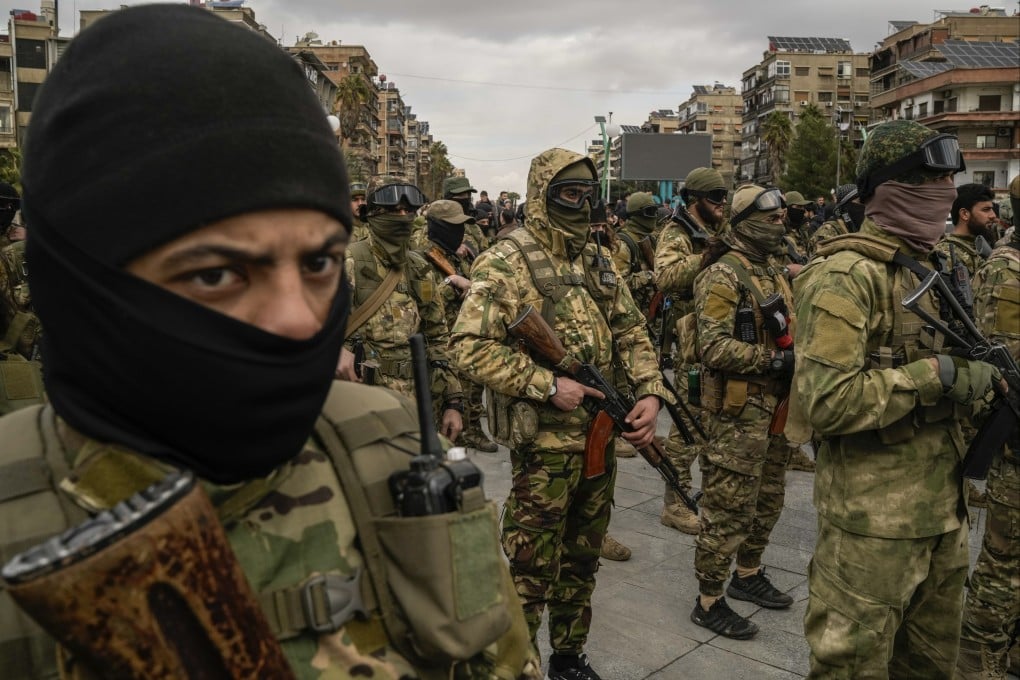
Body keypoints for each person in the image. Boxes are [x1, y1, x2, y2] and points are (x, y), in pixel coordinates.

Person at [0, 7, 539, 678]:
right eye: (219, 272)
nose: (300, 320)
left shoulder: (384, 446)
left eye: (318, 263)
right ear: (82, 280)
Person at [451, 148, 669, 680]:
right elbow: (468, 347)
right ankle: (516, 665)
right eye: (568, 195)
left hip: (597, 438)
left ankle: (569, 657)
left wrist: (650, 391)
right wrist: (547, 385)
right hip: (544, 447)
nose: (579, 205)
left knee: (583, 557)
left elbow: (631, 329)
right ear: (541, 196)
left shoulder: (595, 257)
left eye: (586, 195)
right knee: (530, 565)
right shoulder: (507, 260)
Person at [793, 120, 999, 677]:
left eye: (946, 182)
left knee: (930, 666)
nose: (941, 195)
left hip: (944, 514)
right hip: (871, 527)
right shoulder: (845, 276)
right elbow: (825, 404)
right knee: (851, 668)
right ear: (887, 188)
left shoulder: (938, 265)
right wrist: (935, 376)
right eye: (926, 182)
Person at [689, 184, 796, 640]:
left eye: (781, 218)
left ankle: (748, 574)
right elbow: (711, 346)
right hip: (738, 412)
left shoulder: (772, 269)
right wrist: (771, 361)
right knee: (728, 508)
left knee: (768, 499)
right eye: (770, 219)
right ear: (745, 222)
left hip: (774, 407)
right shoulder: (723, 275)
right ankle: (708, 599)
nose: (780, 225)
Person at [335, 177, 465, 442]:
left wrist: (453, 402)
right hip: (359, 403)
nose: (402, 217)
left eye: (408, 212)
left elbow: (437, 337)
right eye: (393, 211)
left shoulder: (418, 268)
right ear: (371, 214)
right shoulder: (347, 262)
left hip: (414, 407)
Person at [955, 226, 1019, 679]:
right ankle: (976, 659)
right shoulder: (1006, 272)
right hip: (1016, 436)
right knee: (1005, 560)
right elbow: (1002, 358)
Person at [653, 167, 729, 534]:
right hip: (692, 346)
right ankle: (676, 502)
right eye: (715, 197)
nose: (722, 203)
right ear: (694, 200)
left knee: (711, 426)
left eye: (723, 196)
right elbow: (665, 278)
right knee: (688, 428)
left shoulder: (716, 229)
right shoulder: (677, 232)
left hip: (717, 340)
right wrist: (706, 257)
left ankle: (699, 494)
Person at [418, 199, 499, 452]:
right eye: (453, 227)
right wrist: (451, 285)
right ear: (437, 227)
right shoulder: (423, 256)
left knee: (470, 389)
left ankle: (468, 430)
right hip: (439, 342)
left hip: (460, 334)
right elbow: (423, 300)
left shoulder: (450, 253)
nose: (459, 233)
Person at [810, 183, 864, 249]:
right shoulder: (827, 233)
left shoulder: (856, 228)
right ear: (845, 207)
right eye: (860, 202)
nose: (864, 206)